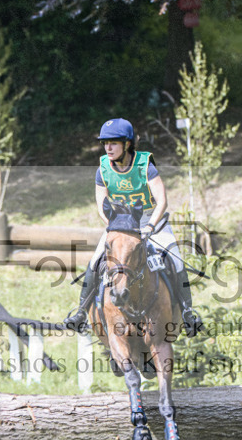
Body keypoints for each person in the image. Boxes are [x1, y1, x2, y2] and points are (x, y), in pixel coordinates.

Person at [63, 118, 203, 336]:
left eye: (113, 143)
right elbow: (101, 205)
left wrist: (150, 227)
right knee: (95, 261)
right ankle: (81, 312)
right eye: (105, 143)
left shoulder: (145, 166)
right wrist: (116, 228)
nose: (108, 148)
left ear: (127, 143)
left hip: (150, 221)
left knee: (175, 258)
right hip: (119, 223)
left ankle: (187, 313)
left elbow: (162, 201)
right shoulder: (102, 169)